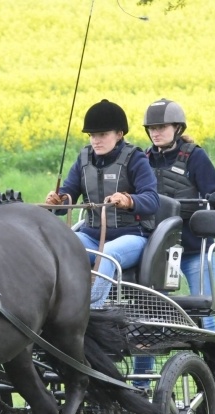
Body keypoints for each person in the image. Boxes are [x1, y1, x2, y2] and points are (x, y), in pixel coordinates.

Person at [46, 99, 159, 309]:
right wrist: (57, 201)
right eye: (92, 135)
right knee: (59, 243)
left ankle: (91, 310)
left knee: (107, 252)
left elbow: (152, 200)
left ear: (119, 134)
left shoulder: (135, 159)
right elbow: (66, 200)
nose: (96, 141)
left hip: (132, 236)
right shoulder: (83, 159)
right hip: (91, 236)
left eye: (102, 134)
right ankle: (55, 305)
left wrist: (129, 200)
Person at [143, 98, 215, 331]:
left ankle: (214, 366)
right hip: (158, 251)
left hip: (195, 248)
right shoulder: (143, 159)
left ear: (177, 128)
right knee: (149, 317)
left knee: (206, 315)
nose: (156, 133)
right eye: (152, 128)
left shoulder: (195, 156)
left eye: (161, 127)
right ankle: (145, 368)